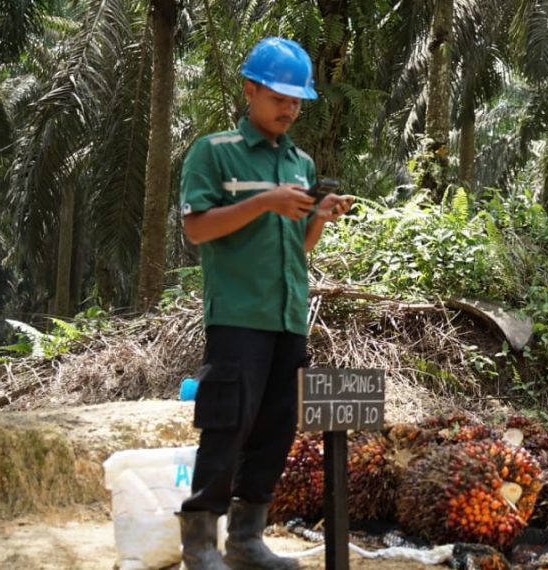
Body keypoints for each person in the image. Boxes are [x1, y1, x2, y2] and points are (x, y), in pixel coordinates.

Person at [176, 37, 353, 570]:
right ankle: (200, 545)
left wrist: (319, 214)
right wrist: (265, 201)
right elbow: (197, 229)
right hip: (237, 316)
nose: (289, 109)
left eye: (297, 101)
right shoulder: (215, 151)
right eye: (279, 96)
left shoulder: (300, 162)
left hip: (287, 316)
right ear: (250, 88)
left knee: (276, 429)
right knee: (226, 427)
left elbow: (297, 247)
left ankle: (246, 541)